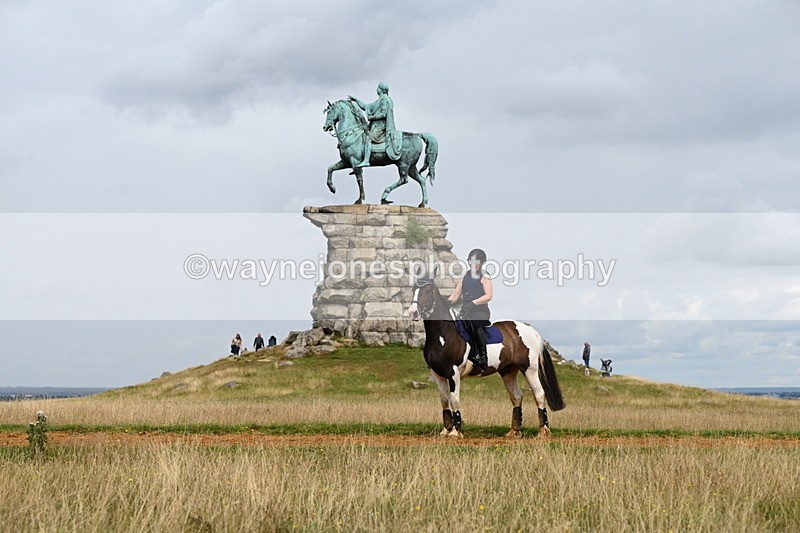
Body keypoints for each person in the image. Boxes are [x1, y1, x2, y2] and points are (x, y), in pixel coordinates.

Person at [448, 248, 493, 371]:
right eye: (472, 262)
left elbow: (489, 295)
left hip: (480, 310)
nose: (475, 265)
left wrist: (473, 303)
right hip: (466, 310)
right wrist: (447, 302)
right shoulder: (465, 276)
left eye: (477, 262)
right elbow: (456, 295)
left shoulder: (485, 276)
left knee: (475, 324)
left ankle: (483, 357)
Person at [348, 82, 402, 166]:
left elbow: (384, 114)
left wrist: (372, 117)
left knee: (368, 138)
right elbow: (365, 106)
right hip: (375, 126)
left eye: (378, 88)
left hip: (381, 126)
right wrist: (356, 100)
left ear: (381, 89)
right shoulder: (378, 101)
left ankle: (366, 160)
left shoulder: (386, 100)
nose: (376, 89)